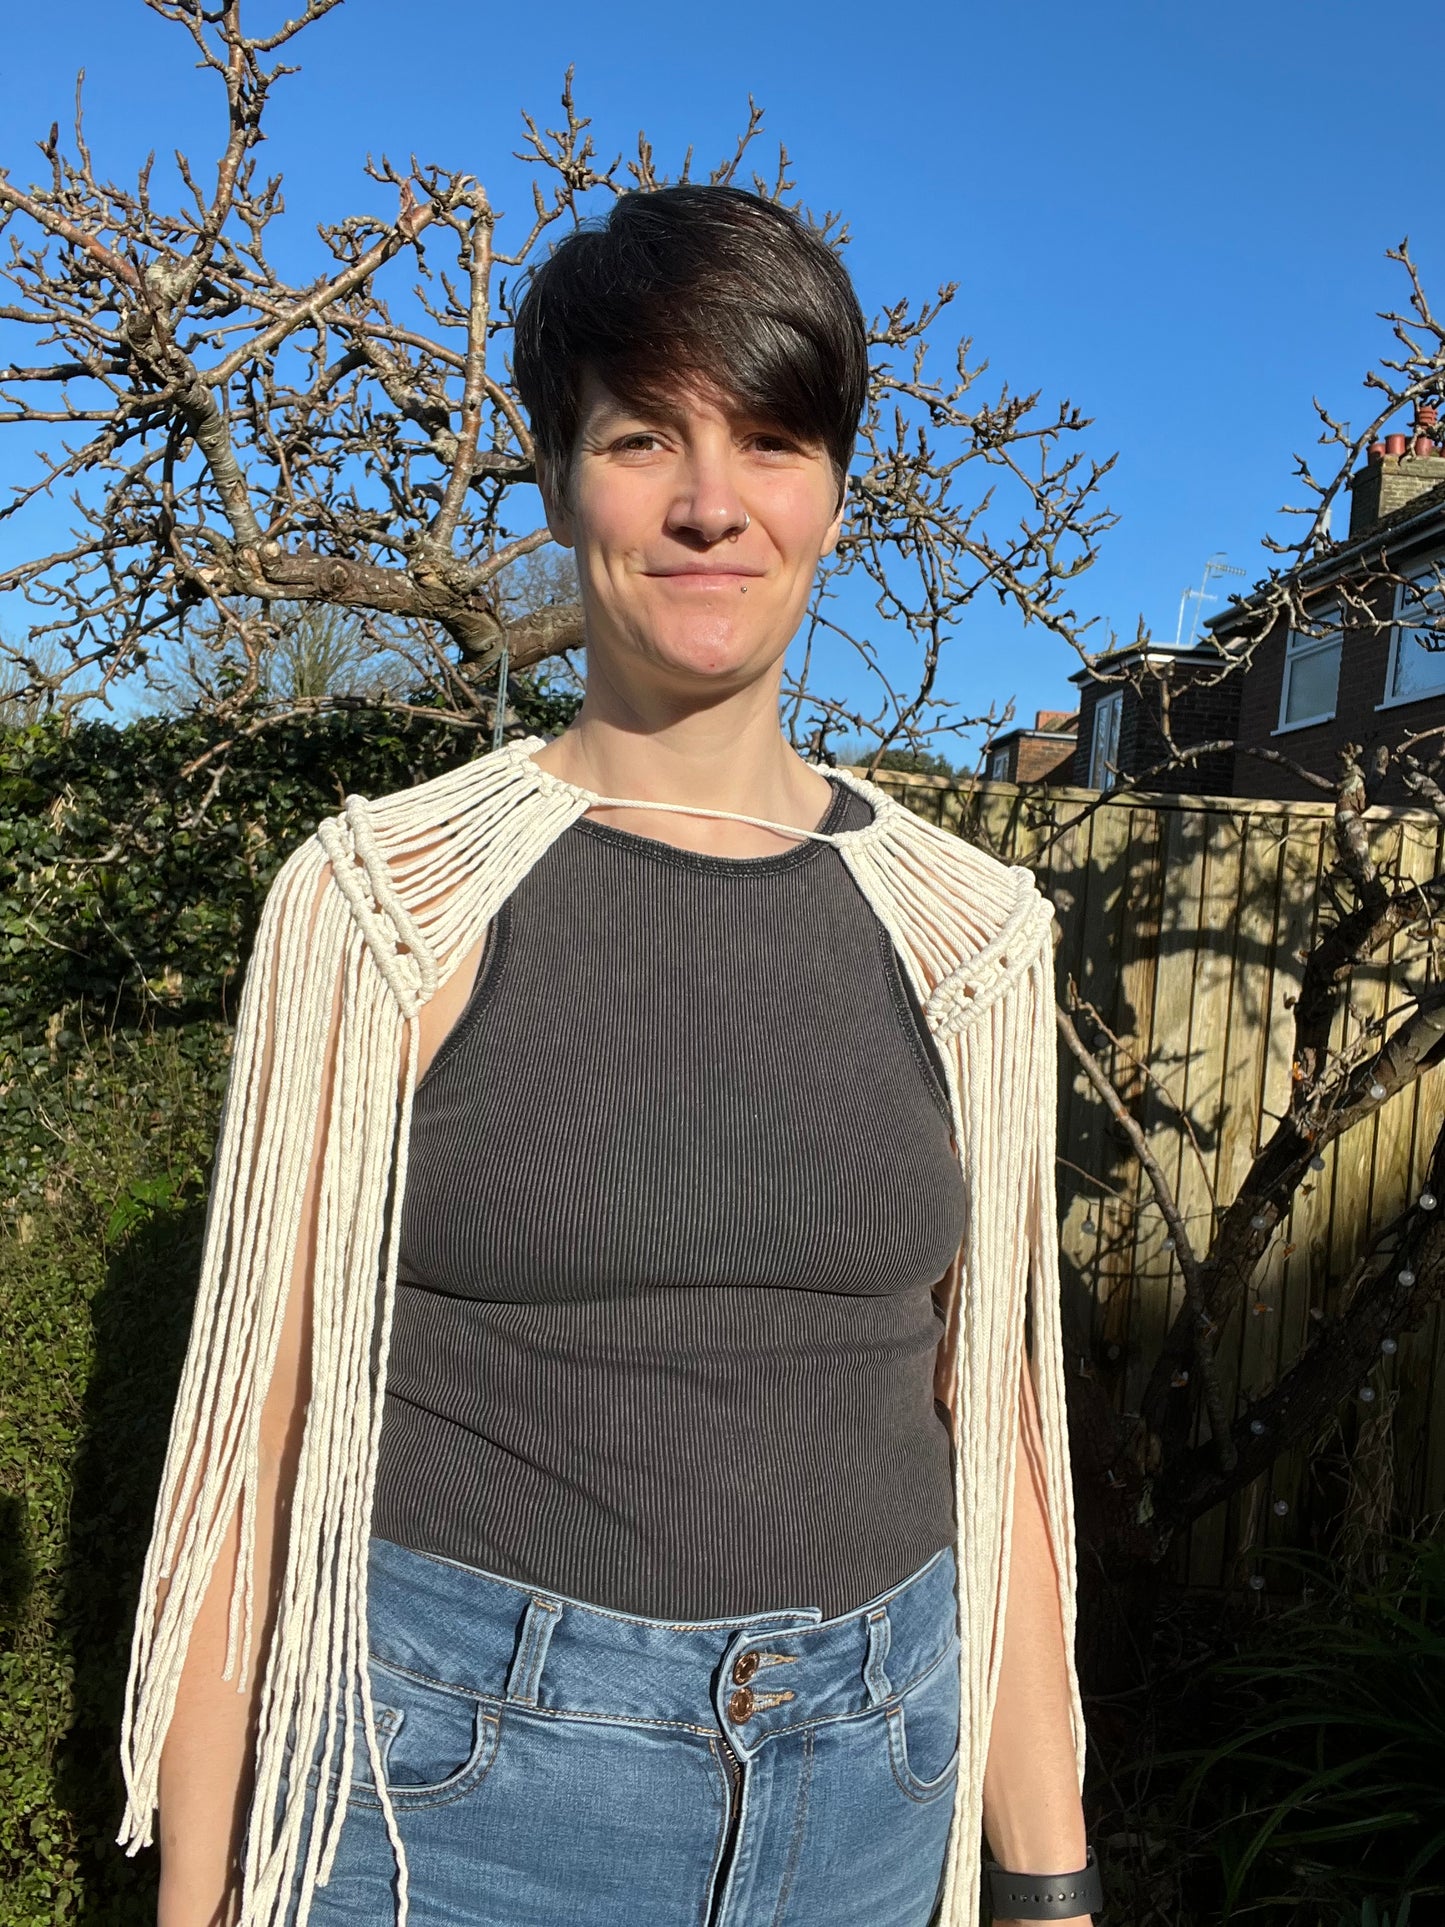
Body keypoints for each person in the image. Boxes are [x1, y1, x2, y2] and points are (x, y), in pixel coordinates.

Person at [119, 185, 1097, 1927]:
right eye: (647, 436)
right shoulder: (387, 905)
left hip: (878, 1791)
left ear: (834, 492)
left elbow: (997, 1429)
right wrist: (200, 1898)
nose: (712, 502)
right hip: (454, 1801)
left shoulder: (968, 934)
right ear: (562, 473)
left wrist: (1047, 1879)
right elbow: (242, 1455)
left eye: (772, 441)